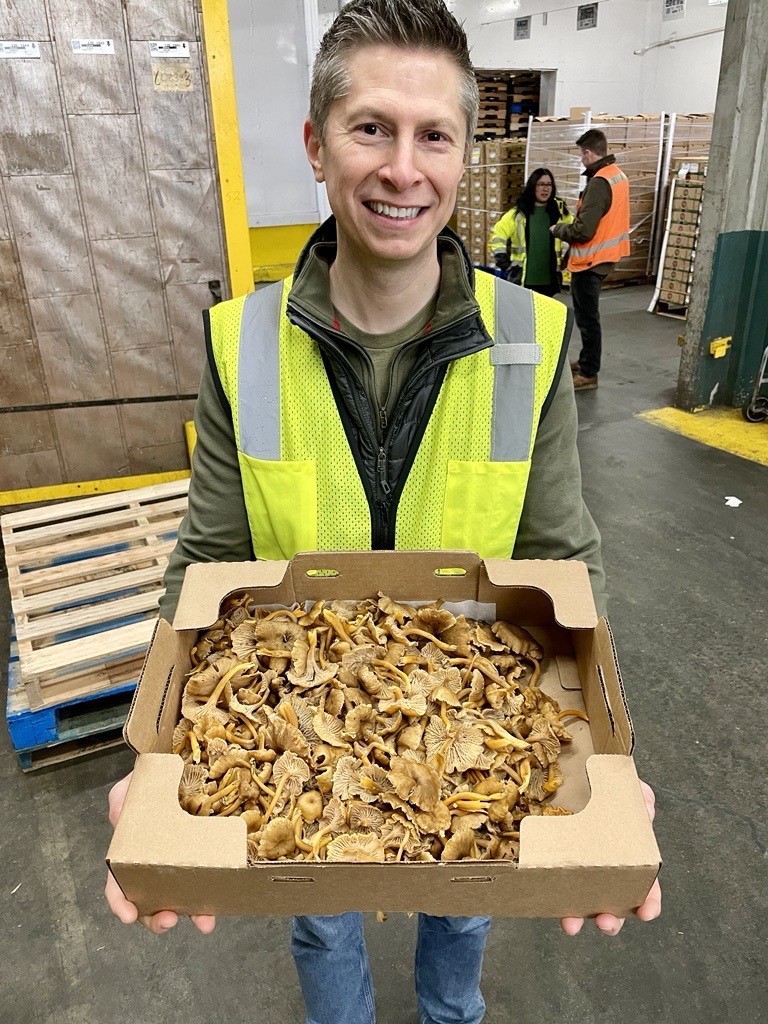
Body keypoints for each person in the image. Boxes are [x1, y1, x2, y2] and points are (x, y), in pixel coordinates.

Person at [105, 3, 661, 1022]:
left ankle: (453, 1011)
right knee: (320, 911)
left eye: (432, 135)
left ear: (461, 157)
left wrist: (617, 764)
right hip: (299, 741)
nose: (403, 168)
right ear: (317, 146)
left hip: (477, 712)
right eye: (370, 128)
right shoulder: (243, 344)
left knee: (466, 900)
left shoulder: (529, 341)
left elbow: (566, 560)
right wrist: (149, 765)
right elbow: (207, 563)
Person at [550, 128, 630, 391]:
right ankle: (586, 361)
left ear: (588, 153)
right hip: (605, 257)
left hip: (590, 261)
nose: (581, 160)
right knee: (589, 317)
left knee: (587, 319)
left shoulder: (599, 183)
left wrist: (558, 229)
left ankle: (588, 373)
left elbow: (584, 231)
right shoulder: (618, 175)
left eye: (581, 155)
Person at [489, 167, 573, 296]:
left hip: (550, 279)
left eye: (549, 184)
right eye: (541, 184)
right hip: (523, 279)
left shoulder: (559, 212)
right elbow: (497, 235)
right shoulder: (518, 213)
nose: (545, 188)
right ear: (533, 186)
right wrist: (502, 260)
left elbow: (575, 232)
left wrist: (568, 257)